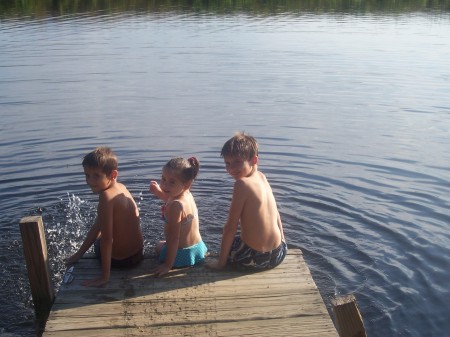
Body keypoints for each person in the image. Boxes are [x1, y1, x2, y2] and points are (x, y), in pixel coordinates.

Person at [206, 132, 287, 271]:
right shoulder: (262, 177)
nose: (231, 168)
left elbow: (230, 227)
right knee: (238, 239)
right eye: (227, 163)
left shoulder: (242, 184)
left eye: (237, 162)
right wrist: (283, 240)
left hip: (255, 259)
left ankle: (223, 261)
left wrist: (221, 263)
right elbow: (276, 214)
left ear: (254, 160)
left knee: (228, 243)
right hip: (279, 253)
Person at [65, 147, 144, 287]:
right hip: (137, 255)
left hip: (121, 261)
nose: (90, 181)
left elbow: (107, 240)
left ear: (113, 174)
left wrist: (104, 276)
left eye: (96, 175)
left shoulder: (106, 197)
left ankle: (78, 256)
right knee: (99, 225)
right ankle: (78, 254)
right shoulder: (121, 187)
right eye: (87, 175)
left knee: (99, 238)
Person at [149, 157, 207, 277]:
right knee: (165, 243)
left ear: (186, 184)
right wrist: (158, 192)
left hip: (183, 256)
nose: (164, 185)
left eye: (172, 182)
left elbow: (173, 238)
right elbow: (170, 198)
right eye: (163, 179)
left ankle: (171, 261)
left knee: (158, 245)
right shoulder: (186, 194)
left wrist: (168, 265)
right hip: (198, 249)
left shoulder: (175, 207)